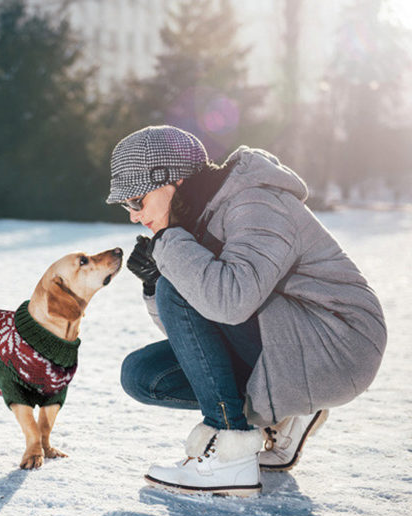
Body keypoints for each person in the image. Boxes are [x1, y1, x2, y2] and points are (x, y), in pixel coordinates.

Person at [106, 125, 386, 496]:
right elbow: (195, 336)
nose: (134, 216)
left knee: (184, 283)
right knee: (142, 375)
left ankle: (230, 450)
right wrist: (153, 282)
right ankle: (288, 414)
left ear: (174, 181)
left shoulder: (255, 202)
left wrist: (171, 247)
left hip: (338, 343)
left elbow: (230, 301)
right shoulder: (199, 220)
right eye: (128, 205)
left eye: (137, 201)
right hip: (287, 342)